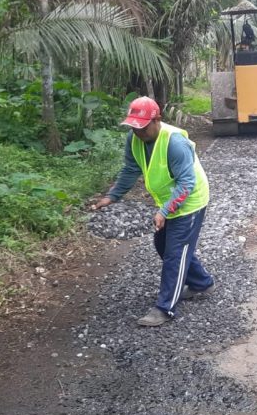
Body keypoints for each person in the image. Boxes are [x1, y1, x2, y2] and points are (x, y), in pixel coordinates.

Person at [90, 96, 214, 327]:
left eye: (143, 128)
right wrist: (112, 196)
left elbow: (186, 183)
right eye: (134, 128)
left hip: (190, 202)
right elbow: (130, 169)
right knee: (162, 245)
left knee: (175, 255)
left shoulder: (175, 143)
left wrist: (164, 211)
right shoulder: (134, 139)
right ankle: (202, 282)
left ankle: (165, 308)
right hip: (170, 201)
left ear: (157, 120)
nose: (138, 133)